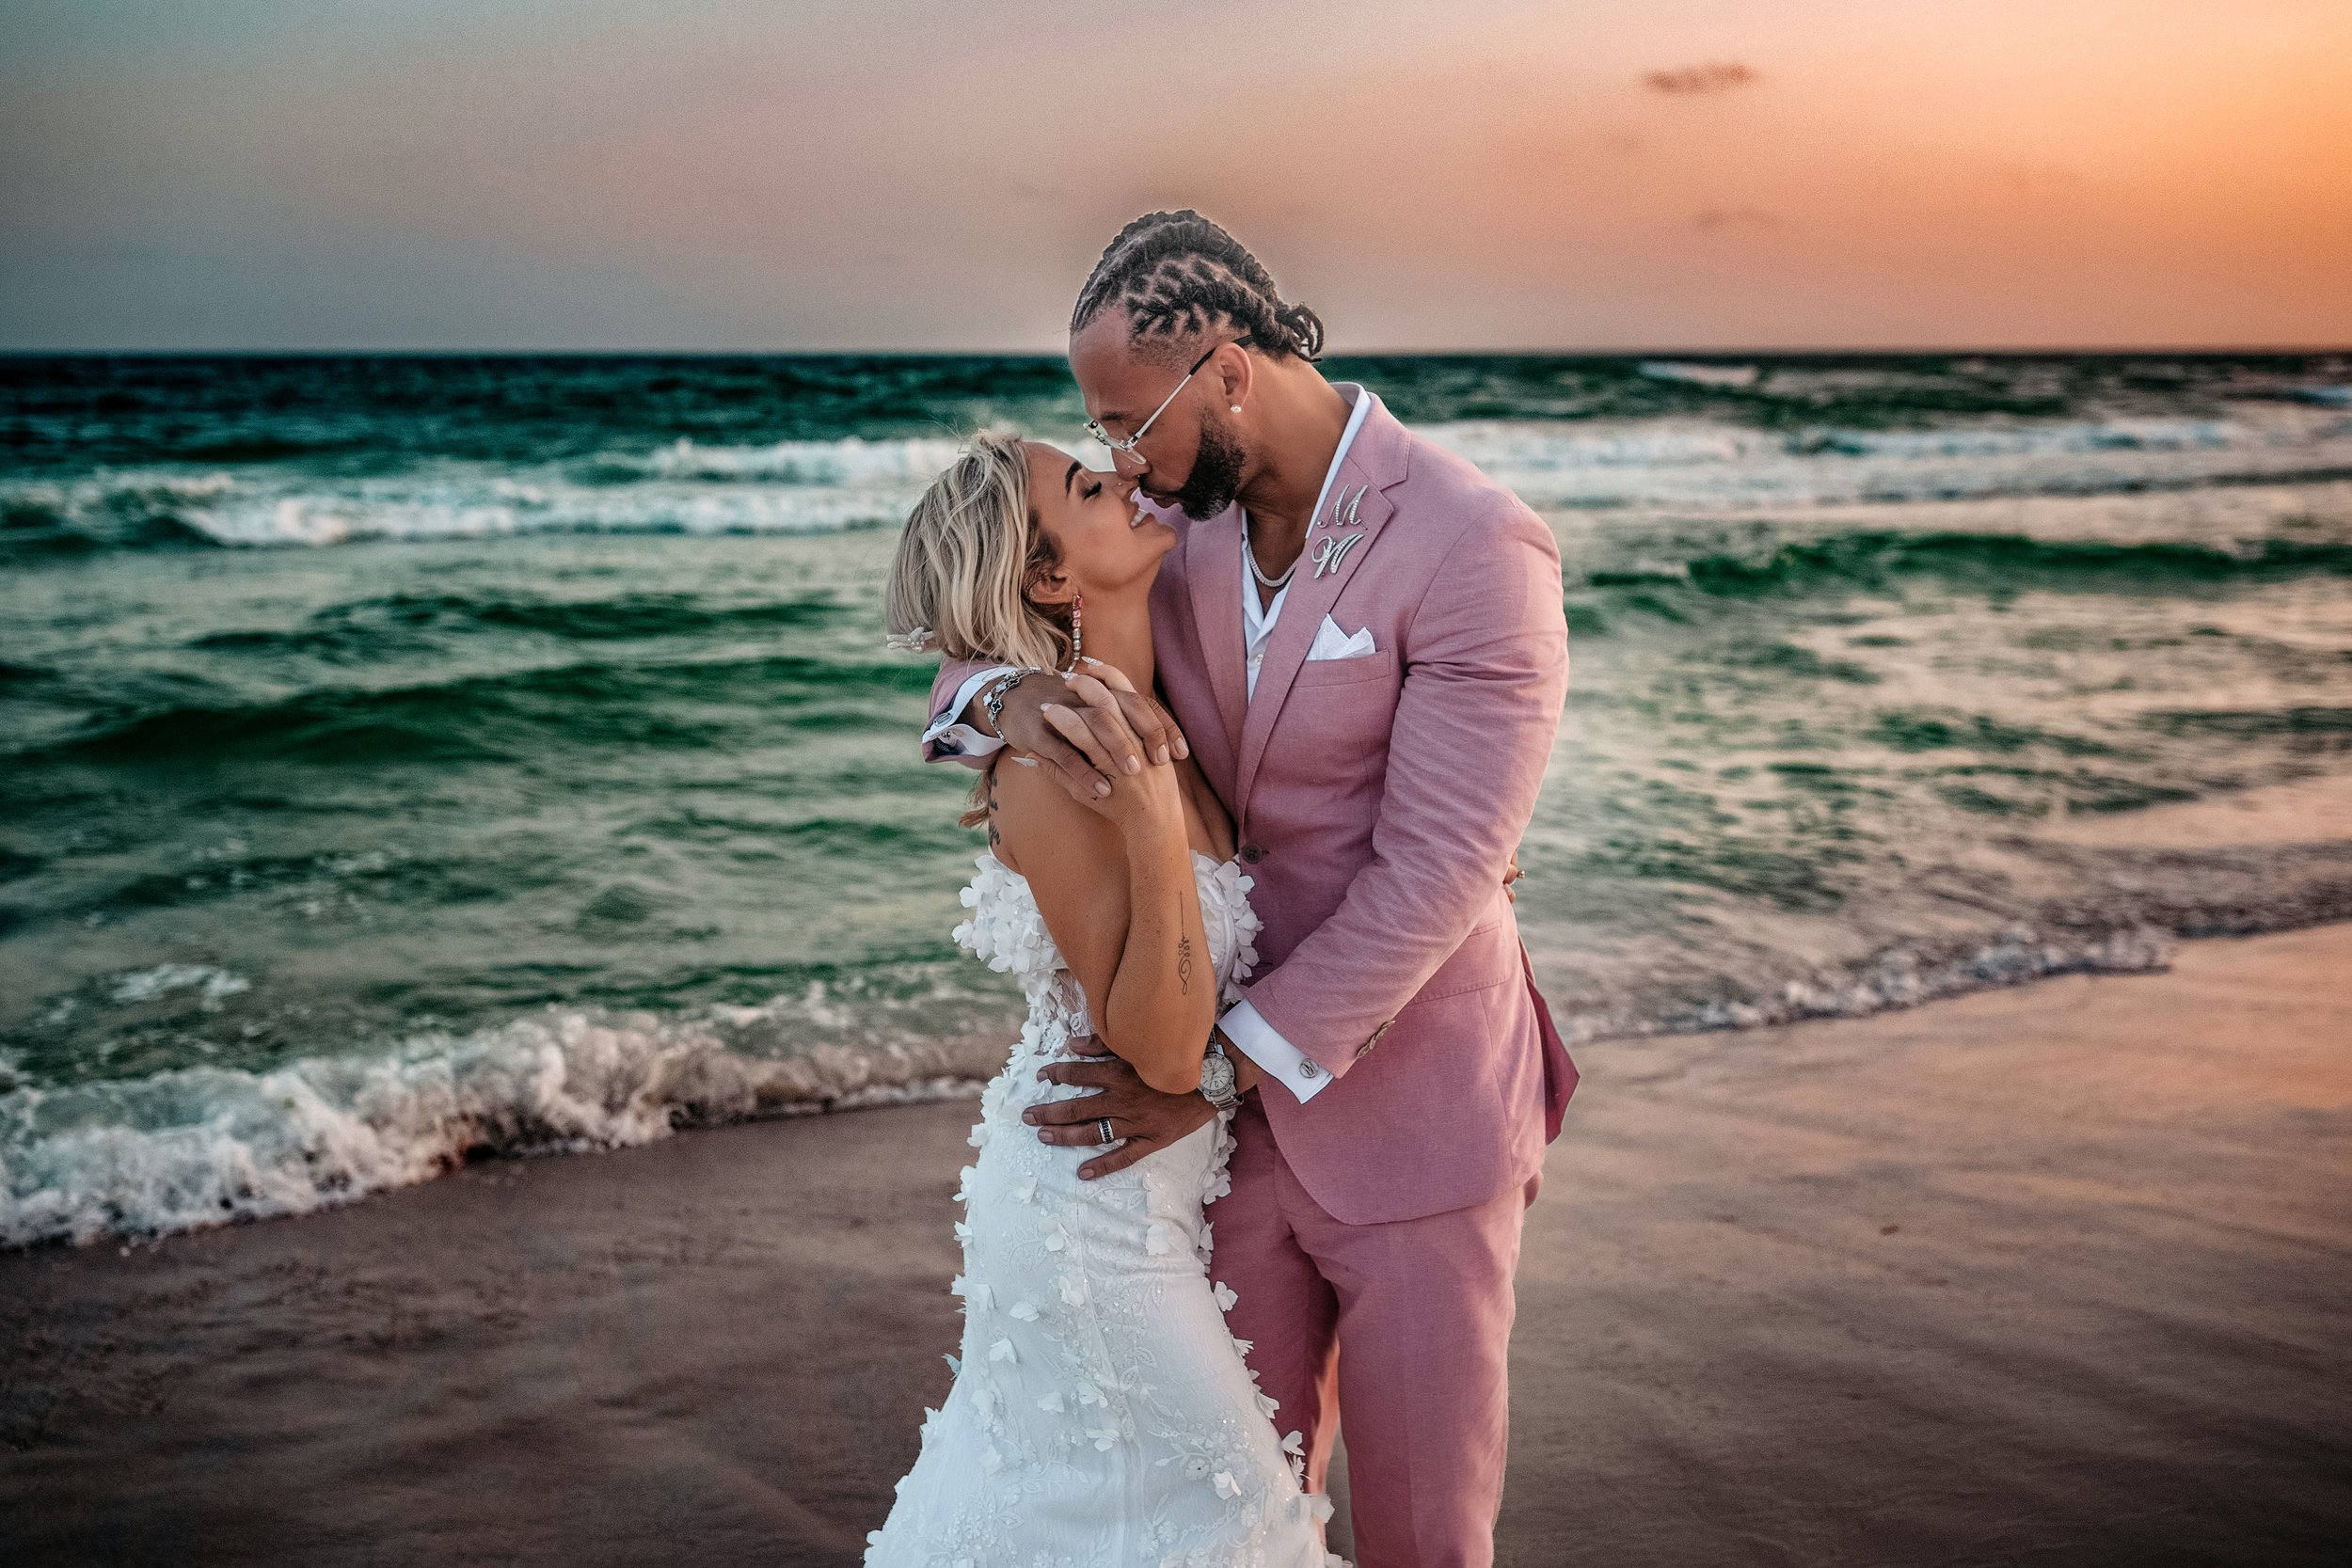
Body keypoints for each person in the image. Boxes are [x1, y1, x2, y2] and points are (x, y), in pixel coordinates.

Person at [914, 212, 1576, 1568]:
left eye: (1125, 419)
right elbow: (980, 613)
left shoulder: (1472, 544)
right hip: (1219, 1157)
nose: (1113, 460)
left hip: (1410, 1121)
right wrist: (1011, 695)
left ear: (1224, 372)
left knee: (1418, 1538)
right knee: (1232, 1526)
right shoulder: (1174, 520)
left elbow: (1437, 872)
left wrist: (1216, 1068)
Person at [864, 431, 1340, 1562]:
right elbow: (1166, 1054)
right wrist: (1146, 816)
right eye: (1086, 487)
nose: (1125, 478)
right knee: (1232, 1521)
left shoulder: (1154, 696)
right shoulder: (1056, 765)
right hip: (1087, 1210)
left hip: (1159, 1196)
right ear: (1048, 576)